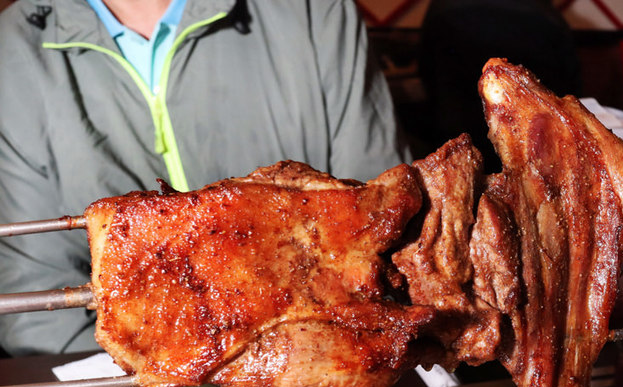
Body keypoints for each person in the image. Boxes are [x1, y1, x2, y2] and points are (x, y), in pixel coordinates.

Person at [0, 0, 410, 356]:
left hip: (328, 380)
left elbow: (391, 228)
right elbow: (35, 304)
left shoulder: (312, 12)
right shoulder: (14, 47)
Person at [418, 0, 582, 172]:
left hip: (456, 137)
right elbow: (571, 86)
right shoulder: (543, 13)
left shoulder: (443, 9)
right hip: (538, 148)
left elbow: (426, 71)